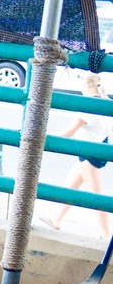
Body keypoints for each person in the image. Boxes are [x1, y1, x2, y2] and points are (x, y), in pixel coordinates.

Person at [41, 73, 112, 237]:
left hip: (88, 154)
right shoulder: (105, 101)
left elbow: (70, 131)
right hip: (98, 150)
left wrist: (46, 139)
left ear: (86, 85)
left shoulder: (88, 105)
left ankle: (106, 235)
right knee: (71, 187)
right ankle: (56, 218)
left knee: (96, 197)